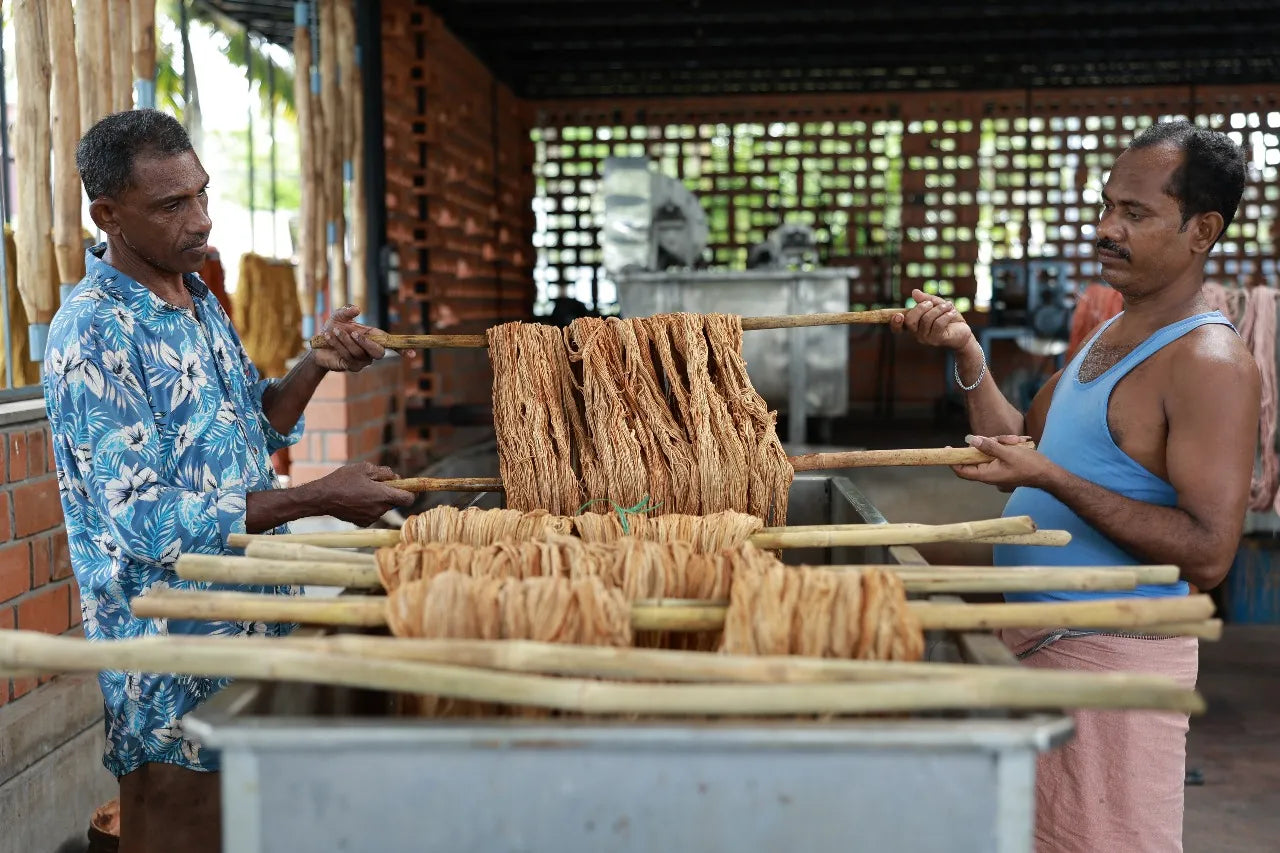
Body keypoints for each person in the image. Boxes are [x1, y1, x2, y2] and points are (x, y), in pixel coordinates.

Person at [43, 109, 416, 853]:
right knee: (183, 826)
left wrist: (317, 363)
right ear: (108, 216)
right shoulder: (92, 331)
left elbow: (258, 423)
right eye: (171, 205)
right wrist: (318, 497)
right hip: (172, 650)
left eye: (202, 194)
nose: (201, 219)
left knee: (251, 826)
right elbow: (143, 520)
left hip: (256, 617)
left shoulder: (198, 299)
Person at [892, 119, 1260, 852]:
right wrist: (966, 350)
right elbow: (1023, 445)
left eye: (1135, 212)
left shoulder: (1209, 362)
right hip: (1040, 649)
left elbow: (1210, 552)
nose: (1105, 229)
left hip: (1113, 669)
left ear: (1202, 230)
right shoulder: (1108, 333)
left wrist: (1050, 477)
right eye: (1106, 206)